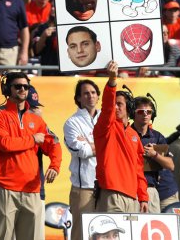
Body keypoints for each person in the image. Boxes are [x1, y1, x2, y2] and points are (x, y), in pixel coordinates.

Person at [0, 72, 61, 240]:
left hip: (32, 190)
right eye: (17, 86)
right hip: (5, 188)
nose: (22, 89)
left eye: (25, 87)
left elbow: (54, 143)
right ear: (7, 89)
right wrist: (32, 139)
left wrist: (55, 166)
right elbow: (4, 144)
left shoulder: (36, 119)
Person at [93, 61, 149, 213]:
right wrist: (112, 81)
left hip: (132, 198)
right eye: (114, 104)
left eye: (120, 104)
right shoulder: (105, 127)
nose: (115, 107)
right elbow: (107, 108)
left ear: (129, 108)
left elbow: (138, 169)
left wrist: (143, 196)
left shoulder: (134, 136)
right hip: (111, 193)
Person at [64, 79, 101, 240]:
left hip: (106, 185)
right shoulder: (72, 123)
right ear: (78, 98)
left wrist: (90, 143)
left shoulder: (107, 119)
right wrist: (103, 146)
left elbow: (114, 148)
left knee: (104, 232)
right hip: (84, 187)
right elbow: (83, 151)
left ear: (98, 96)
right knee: (81, 233)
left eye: (93, 93)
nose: (90, 96)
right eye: (86, 93)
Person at [131, 96, 175, 213]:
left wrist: (154, 154)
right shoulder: (125, 134)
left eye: (149, 112)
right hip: (130, 189)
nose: (145, 114)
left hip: (150, 190)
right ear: (133, 113)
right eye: (141, 111)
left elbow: (170, 165)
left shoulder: (158, 137)